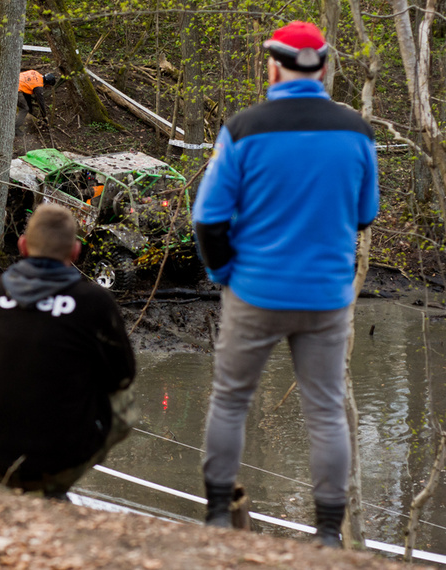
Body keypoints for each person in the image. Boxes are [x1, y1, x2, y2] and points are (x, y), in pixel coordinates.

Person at [192, 21, 379, 547]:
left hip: (253, 291)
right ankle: (326, 535)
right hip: (325, 296)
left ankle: (215, 519)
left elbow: (208, 219)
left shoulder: (244, 129)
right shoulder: (356, 132)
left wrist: (224, 275)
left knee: (230, 400)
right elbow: (366, 215)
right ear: (322, 67)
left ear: (273, 66)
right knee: (325, 410)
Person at [0, 203, 137, 500]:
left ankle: (29, 485)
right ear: (75, 252)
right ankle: (55, 485)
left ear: (22, 245)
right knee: (123, 399)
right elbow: (123, 376)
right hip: (62, 457)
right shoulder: (94, 301)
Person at [15, 70, 57, 136]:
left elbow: (27, 91)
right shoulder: (38, 86)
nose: (47, 88)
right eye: (48, 86)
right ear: (47, 83)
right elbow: (41, 102)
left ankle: (29, 114)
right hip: (15, 89)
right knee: (24, 109)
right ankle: (15, 128)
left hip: (14, 81)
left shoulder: (36, 73)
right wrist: (44, 116)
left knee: (27, 104)